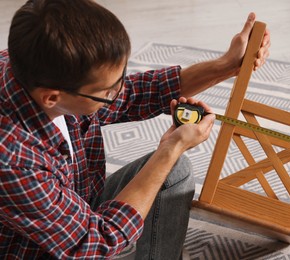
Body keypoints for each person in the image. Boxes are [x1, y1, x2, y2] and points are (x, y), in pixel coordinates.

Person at [0, 0, 270, 259]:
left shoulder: (34, 64)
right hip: (44, 247)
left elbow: (133, 94)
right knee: (168, 162)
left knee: (174, 172)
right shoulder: (14, 160)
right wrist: (169, 149)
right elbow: (96, 243)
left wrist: (227, 65)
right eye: (107, 92)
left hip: (75, 202)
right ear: (52, 98)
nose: (118, 91)